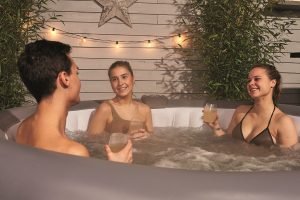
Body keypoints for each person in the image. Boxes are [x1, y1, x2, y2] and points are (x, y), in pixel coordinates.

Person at [16, 39, 132, 163]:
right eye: (77, 73)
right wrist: (118, 167)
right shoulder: (73, 152)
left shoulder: (23, 128)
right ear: (65, 78)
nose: (78, 79)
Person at [207, 64, 298, 148]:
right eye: (249, 80)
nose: (251, 83)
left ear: (272, 83)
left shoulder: (283, 122)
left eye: (257, 79)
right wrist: (216, 127)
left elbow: (288, 159)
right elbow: (227, 141)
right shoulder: (240, 112)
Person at [87, 61, 153, 139]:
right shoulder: (105, 109)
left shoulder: (145, 110)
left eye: (124, 77)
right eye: (114, 79)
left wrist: (148, 136)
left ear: (133, 79)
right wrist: (124, 139)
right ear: (111, 83)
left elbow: (152, 138)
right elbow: (91, 142)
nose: (120, 83)